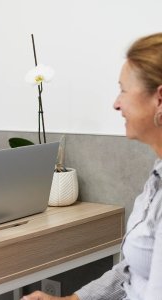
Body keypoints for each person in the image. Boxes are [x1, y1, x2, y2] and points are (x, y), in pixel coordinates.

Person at [22, 33, 162, 300]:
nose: (116, 103)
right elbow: (131, 271)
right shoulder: (157, 177)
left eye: (123, 90)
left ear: (160, 99)